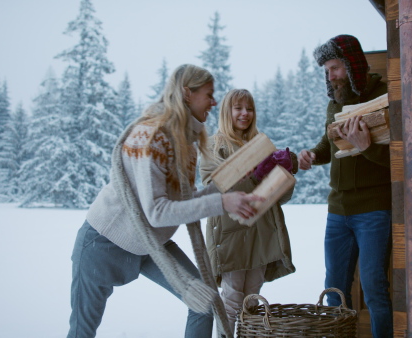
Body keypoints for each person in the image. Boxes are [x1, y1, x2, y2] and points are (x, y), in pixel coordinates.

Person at [67, 64, 264, 338]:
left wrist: (226, 184)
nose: (214, 101)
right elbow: (157, 212)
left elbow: (184, 202)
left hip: (151, 245)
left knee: (203, 301)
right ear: (186, 94)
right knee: (81, 332)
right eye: (208, 94)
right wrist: (222, 203)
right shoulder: (150, 136)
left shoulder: (186, 142)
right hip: (104, 243)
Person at [297, 35, 393, 337]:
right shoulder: (334, 103)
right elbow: (329, 142)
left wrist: (367, 147)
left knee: (374, 287)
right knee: (334, 289)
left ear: (351, 65)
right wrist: (313, 154)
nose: (331, 76)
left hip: (374, 210)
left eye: (335, 68)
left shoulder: (386, 95)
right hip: (337, 210)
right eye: (326, 70)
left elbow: (401, 158)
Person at [199, 89, 297, 335]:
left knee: (252, 301)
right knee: (231, 301)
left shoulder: (261, 145)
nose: (245, 114)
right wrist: (257, 175)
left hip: (260, 234)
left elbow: (278, 197)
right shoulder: (214, 145)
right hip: (231, 234)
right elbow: (215, 187)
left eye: (249, 108)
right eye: (238, 108)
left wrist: (284, 175)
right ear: (226, 112)